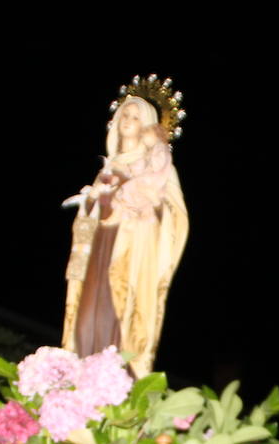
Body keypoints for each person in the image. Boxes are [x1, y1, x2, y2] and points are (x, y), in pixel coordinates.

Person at [63, 94, 189, 376]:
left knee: (116, 323)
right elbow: (87, 217)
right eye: (124, 116)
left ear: (147, 126)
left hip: (128, 259)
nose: (127, 122)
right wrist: (93, 203)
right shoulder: (107, 168)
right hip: (96, 255)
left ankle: (115, 384)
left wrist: (139, 208)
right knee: (84, 323)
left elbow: (173, 216)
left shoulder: (156, 169)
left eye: (135, 117)